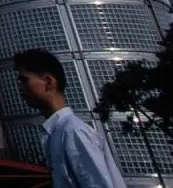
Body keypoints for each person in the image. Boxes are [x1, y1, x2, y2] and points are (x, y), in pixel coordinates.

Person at [14, 49, 128, 188]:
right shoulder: (57, 132)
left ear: (48, 82)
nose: (19, 88)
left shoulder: (73, 131)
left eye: (24, 80)